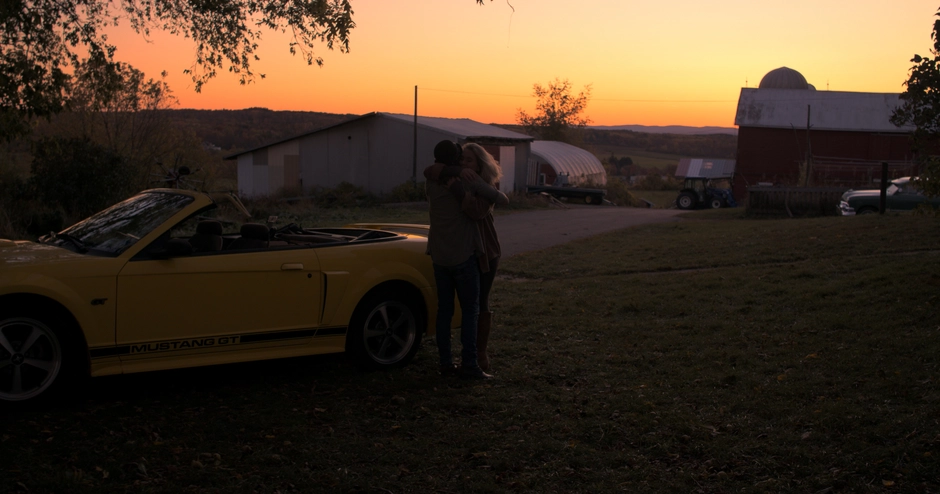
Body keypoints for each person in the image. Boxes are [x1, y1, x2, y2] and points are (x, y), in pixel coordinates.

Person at [424, 142, 507, 372]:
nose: (464, 164)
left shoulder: (478, 186)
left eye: (469, 160)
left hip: (486, 250)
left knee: (478, 304)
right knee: (469, 308)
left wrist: (459, 188)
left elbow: (479, 211)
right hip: (466, 252)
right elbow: (430, 170)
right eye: (462, 160)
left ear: (480, 164)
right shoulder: (454, 180)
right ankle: (469, 364)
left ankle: (479, 357)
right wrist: (458, 175)